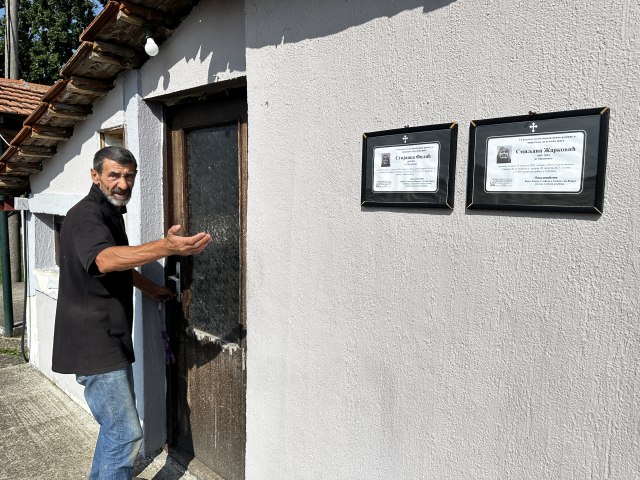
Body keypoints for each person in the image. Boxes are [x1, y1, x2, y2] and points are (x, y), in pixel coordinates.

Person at [51, 146, 212, 480]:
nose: (123, 184)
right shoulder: (88, 216)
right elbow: (104, 259)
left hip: (107, 339)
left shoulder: (109, 212)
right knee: (125, 434)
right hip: (95, 345)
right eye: (114, 175)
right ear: (95, 176)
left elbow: (116, 262)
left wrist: (149, 287)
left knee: (115, 430)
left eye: (129, 176)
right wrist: (165, 247)